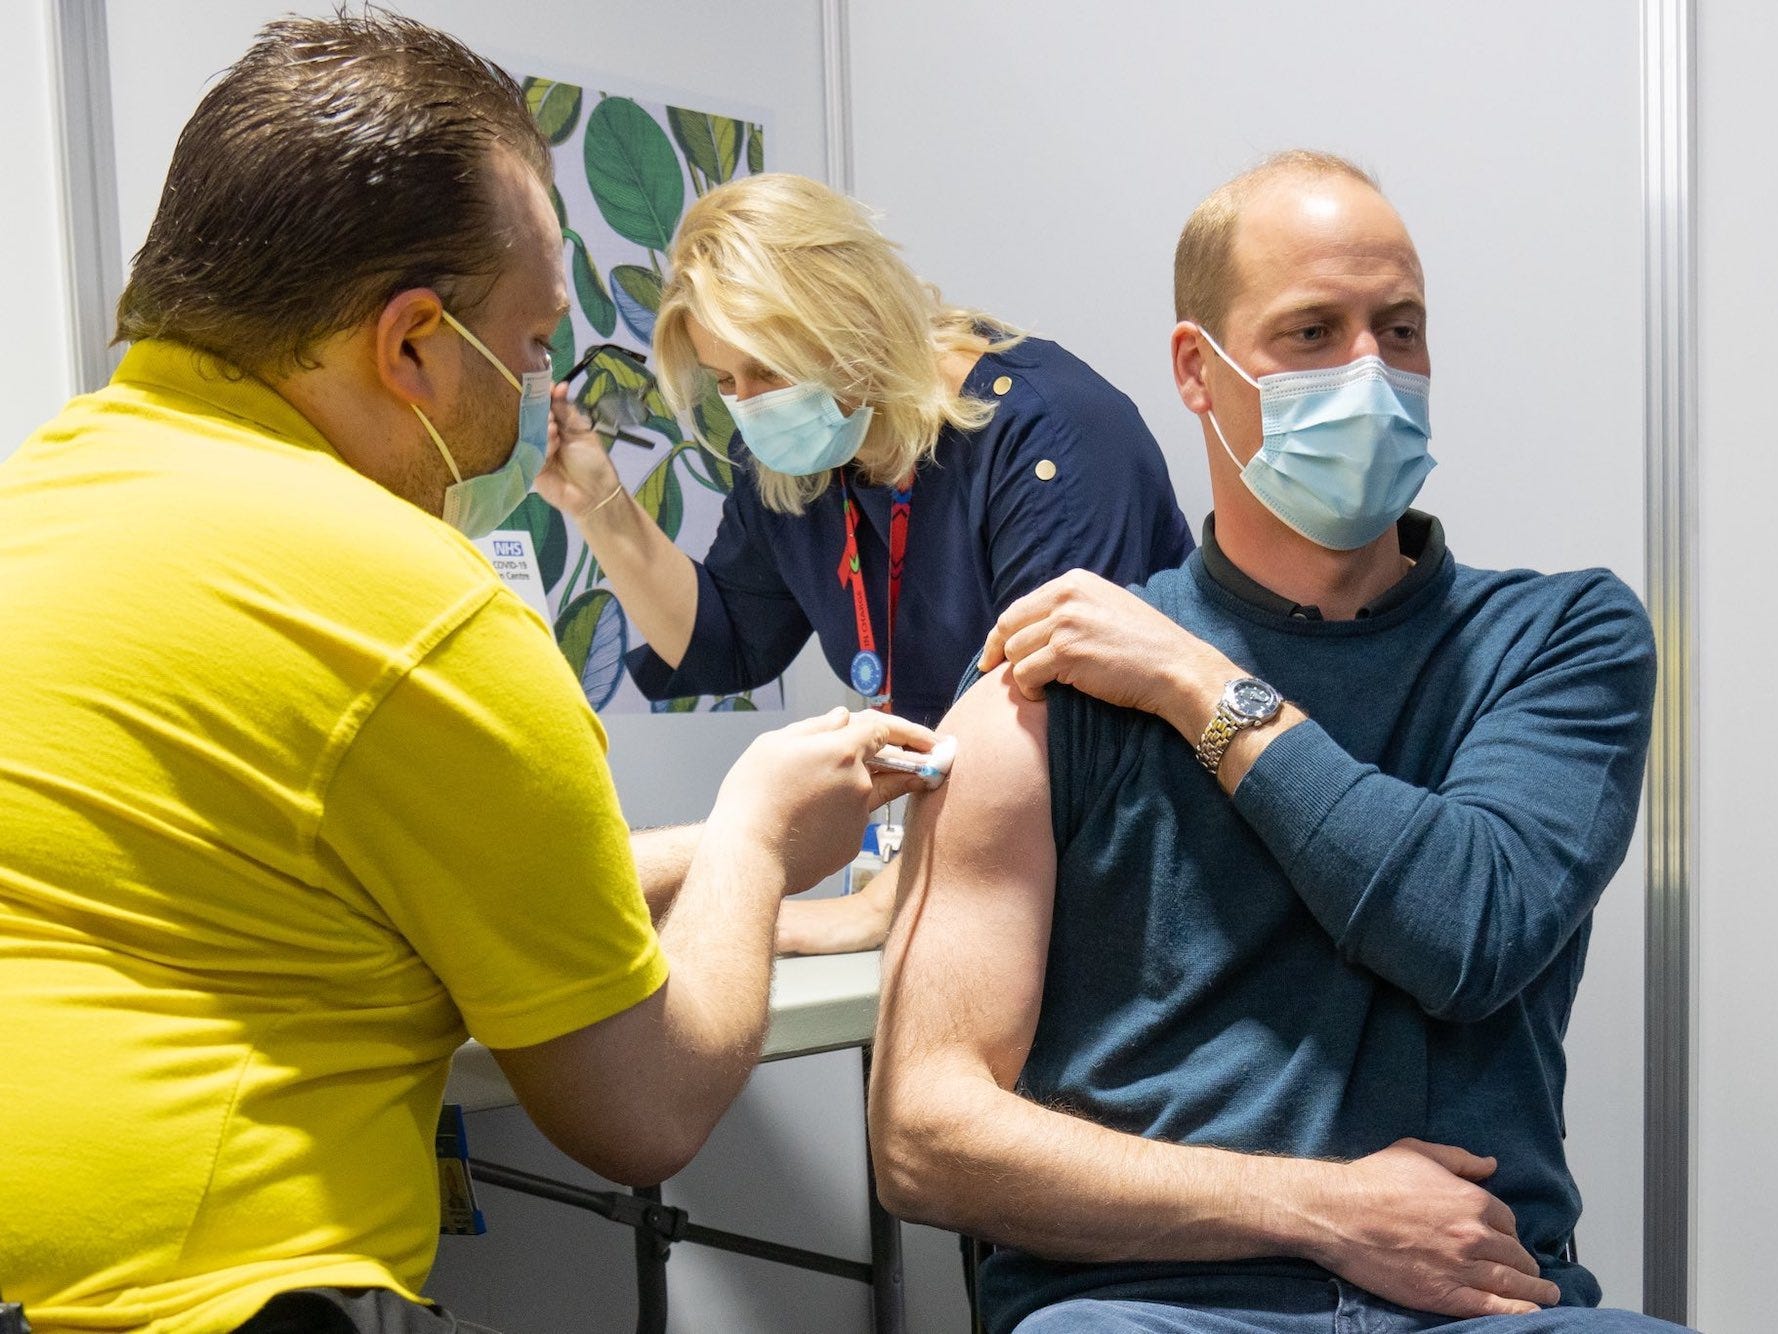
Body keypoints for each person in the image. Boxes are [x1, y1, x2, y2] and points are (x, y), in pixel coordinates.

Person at [0, 15, 933, 1334]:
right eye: (534, 340)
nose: (537, 385)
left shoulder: (40, 494)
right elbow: (641, 1107)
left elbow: (382, 874)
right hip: (197, 1300)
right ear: (416, 345)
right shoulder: (416, 608)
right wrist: (755, 829)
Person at [868, 151, 1680, 1334]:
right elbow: (923, 1134)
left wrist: (1196, 681)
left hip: (1486, 1305)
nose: (1370, 371)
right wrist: (1317, 1209)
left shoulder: (1556, 637)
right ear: (1198, 370)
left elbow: (1465, 927)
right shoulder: (1046, 691)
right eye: (1311, 332)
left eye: (1397, 329)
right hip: (1144, 1309)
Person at [537, 172, 1194, 955]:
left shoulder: (1050, 435)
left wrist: (877, 906)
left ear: (855, 319)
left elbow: (1059, 727)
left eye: (768, 371)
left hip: (1121, 892)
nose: (749, 405)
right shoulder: (802, 456)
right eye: (726, 382)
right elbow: (727, 639)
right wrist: (599, 503)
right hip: (960, 889)